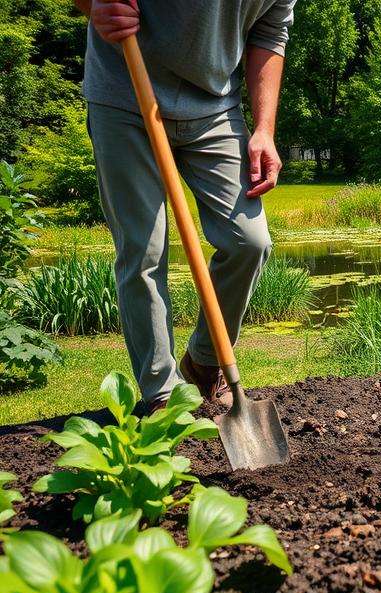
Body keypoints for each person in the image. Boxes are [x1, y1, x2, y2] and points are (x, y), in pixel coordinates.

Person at [74, 0, 295, 411]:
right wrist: (93, 5)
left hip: (216, 106)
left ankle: (205, 363)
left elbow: (269, 34)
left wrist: (264, 129)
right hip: (126, 92)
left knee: (249, 241)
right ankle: (162, 393)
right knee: (144, 249)